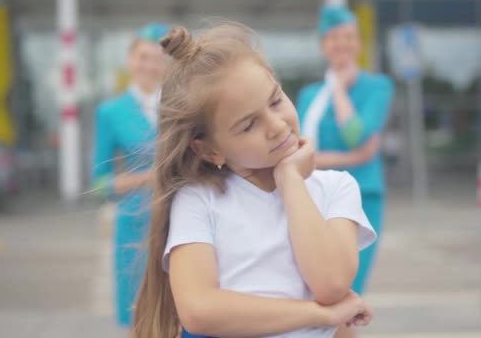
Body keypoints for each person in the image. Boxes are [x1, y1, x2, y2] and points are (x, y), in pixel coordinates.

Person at [133, 23, 378, 338]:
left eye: (275, 101)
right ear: (208, 149)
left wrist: (290, 180)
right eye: (248, 124)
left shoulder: (336, 188)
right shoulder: (198, 199)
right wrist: (318, 314)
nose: (276, 126)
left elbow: (331, 283)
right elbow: (199, 310)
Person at [297, 5, 394, 295]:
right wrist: (353, 158)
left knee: (346, 290)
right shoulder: (310, 95)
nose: (342, 44)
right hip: (314, 199)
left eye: (349, 37)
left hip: (361, 199)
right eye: (334, 38)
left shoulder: (377, 87)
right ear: (323, 45)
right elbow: (299, 151)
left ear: (359, 44)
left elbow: (354, 134)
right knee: (314, 292)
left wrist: (339, 89)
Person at [91, 22, 170, 327]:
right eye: (143, 57)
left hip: (179, 216)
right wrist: (147, 178)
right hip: (135, 226)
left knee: (181, 314)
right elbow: (99, 184)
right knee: (138, 316)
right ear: (130, 60)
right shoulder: (111, 112)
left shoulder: (180, 106)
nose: (150, 65)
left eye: (158, 58)